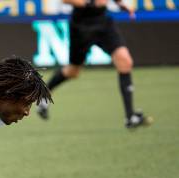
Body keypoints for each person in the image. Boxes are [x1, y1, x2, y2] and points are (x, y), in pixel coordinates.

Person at [37, 0, 152, 129]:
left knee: (125, 61)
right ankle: (44, 94)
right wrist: (89, 3)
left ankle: (130, 117)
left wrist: (121, 4)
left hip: (103, 22)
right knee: (73, 71)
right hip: (81, 26)